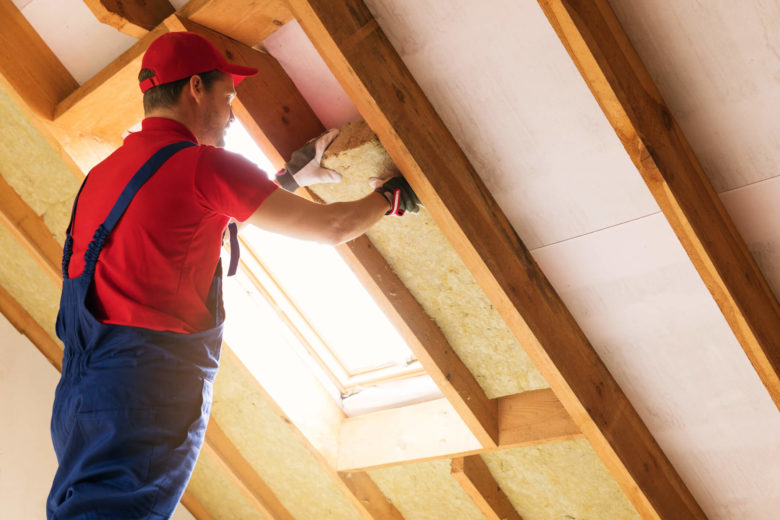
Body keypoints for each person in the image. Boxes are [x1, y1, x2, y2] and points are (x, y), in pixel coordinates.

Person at [47, 31, 419, 519]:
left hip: (81, 400)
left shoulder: (103, 174)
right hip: (147, 392)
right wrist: (391, 197)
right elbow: (332, 227)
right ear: (196, 88)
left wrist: (284, 182)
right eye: (228, 97)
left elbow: (182, 228)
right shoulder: (205, 166)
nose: (231, 114)